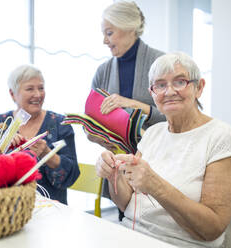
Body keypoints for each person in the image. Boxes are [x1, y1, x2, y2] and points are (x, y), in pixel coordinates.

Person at [95, 52, 231, 248]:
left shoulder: (221, 137)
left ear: (199, 88)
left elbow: (212, 228)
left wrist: (155, 185)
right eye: (160, 85)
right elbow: (127, 205)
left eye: (179, 82)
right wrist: (113, 174)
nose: (169, 92)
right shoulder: (153, 134)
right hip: (131, 237)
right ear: (152, 93)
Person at [88, 0, 166, 220]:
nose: (105, 40)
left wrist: (137, 106)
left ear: (130, 27)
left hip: (156, 164)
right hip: (119, 167)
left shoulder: (161, 63)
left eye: (109, 33)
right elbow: (92, 121)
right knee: (126, 225)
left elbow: (180, 115)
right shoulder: (102, 71)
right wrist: (95, 134)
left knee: (157, 222)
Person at [0, 64, 80, 205]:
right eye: (30, 89)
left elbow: (71, 175)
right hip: (3, 206)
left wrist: (47, 154)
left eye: (41, 88)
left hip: (49, 209)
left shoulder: (60, 123)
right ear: (12, 94)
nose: (38, 94)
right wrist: (1, 147)